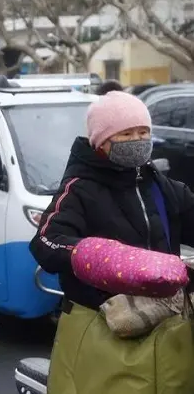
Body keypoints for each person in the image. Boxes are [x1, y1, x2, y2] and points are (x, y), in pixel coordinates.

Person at [29, 91, 194, 393]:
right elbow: (45, 241)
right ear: (101, 143)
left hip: (164, 323)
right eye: (127, 134)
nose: (138, 139)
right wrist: (93, 255)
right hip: (101, 326)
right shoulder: (79, 189)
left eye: (143, 132)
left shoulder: (160, 185)